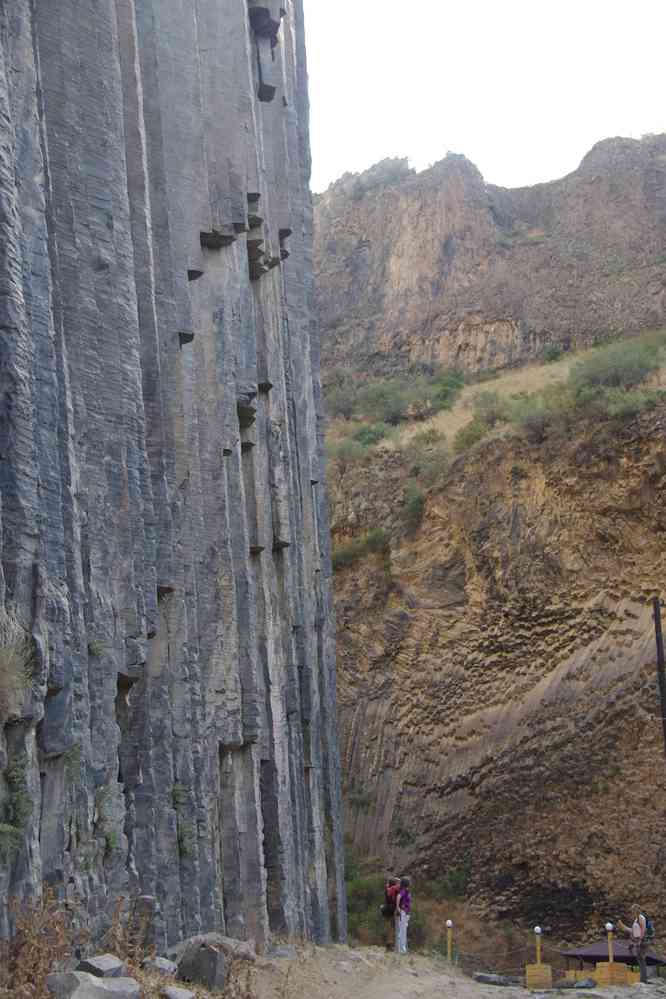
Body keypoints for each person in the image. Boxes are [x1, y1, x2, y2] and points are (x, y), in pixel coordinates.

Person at [617, 906, 649, 983]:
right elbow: (633, 931)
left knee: (641, 960)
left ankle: (643, 980)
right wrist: (623, 927)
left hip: (641, 940)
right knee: (640, 960)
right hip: (637, 939)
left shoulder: (641, 918)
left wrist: (640, 940)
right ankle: (643, 979)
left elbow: (643, 930)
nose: (631, 912)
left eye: (632, 911)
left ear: (636, 910)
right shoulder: (636, 920)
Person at [382, 877, 400, 950]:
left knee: (389, 927)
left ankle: (389, 944)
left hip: (386, 909)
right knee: (394, 928)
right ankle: (392, 944)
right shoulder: (394, 890)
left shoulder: (387, 889)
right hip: (392, 909)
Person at [396, 877, 412, 955]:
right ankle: (402, 949)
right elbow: (398, 897)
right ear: (407, 884)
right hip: (403, 912)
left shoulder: (406, 891)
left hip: (406, 913)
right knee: (402, 931)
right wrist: (398, 907)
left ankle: (402, 948)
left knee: (403, 930)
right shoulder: (404, 891)